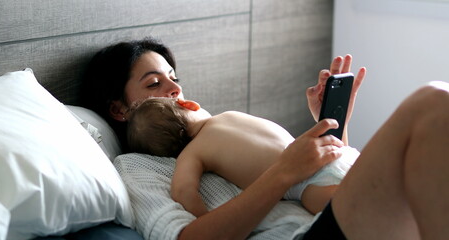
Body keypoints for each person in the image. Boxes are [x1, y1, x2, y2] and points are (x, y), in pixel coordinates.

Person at [82, 37, 449, 240]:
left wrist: (333, 124)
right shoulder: (136, 167)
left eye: (173, 76)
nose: (175, 88)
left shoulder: (220, 128)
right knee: (433, 103)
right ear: (119, 110)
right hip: (305, 234)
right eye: (154, 83)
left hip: (334, 211)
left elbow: (326, 172)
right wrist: (284, 174)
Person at [126, 96, 360, 215]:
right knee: (372, 189)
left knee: (352, 212)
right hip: (334, 153)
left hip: (308, 184)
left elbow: (182, 191)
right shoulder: (229, 115)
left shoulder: (191, 154)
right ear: (190, 104)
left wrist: (203, 215)